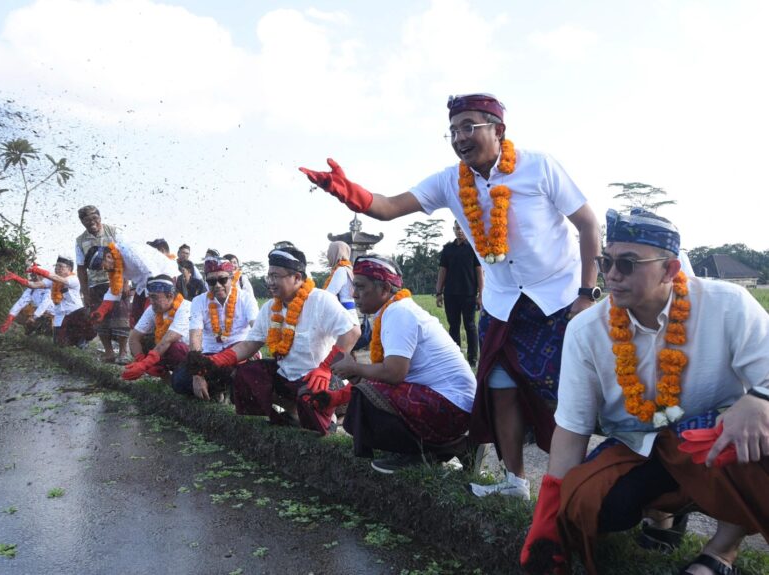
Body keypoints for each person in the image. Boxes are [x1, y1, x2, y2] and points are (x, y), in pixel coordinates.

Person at [301, 93, 601, 498]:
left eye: (469, 126)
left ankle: (577, 486)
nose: (460, 137)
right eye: (454, 130)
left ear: (499, 130)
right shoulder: (449, 181)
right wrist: (346, 191)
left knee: (566, 395)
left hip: (557, 298)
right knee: (499, 390)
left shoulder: (539, 167)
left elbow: (587, 223)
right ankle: (516, 484)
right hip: (501, 303)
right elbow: (389, 207)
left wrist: (586, 292)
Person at [521, 210, 769, 575]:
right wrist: (547, 515)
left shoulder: (728, 304)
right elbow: (573, 428)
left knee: (757, 432)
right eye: (605, 261)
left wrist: (759, 398)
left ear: (670, 270)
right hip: (638, 445)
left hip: (712, 440)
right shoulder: (585, 330)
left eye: (628, 263)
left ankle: (722, 551)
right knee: (584, 502)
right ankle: (664, 513)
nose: (612, 274)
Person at [325, 255, 477, 474]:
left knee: (363, 397)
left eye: (360, 287)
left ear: (385, 288)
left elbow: (395, 372)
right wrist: (359, 372)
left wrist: (357, 368)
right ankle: (440, 449)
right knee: (364, 388)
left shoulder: (398, 312)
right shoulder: (393, 311)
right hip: (450, 403)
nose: (354, 294)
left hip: (452, 407)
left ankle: (424, 452)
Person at [206, 245, 361, 434]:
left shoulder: (321, 300)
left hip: (316, 378)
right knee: (245, 374)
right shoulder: (271, 307)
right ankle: (291, 412)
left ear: (297, 277)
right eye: (269, 276)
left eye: (276, 276)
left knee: (310, 401)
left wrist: (325, 368)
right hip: (285, 375)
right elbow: (250, 344)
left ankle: (328, 418)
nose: (270, 282)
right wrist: (219, 360)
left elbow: (352, 333)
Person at [178, 257, 259, 399]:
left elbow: (257, 329)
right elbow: (195, 336)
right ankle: (217, 390)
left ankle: (227, 390)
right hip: (211, 355)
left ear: (232, 278)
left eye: (222, 280)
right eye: (211, 281)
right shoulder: (198, 301)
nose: (217, 285)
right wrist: (197, 374)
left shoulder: (246, 299)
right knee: (180, 380)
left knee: (242, 376)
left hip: (239, 353)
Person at [74, 205, 130, 364]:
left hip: (116, 281)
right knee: (100, 319)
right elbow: (80, 268)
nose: (91, 222)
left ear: (99, 217)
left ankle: (124, 352)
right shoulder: (80, 241)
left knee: (121, 317)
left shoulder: (113, 232)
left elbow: (125, 257)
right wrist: (85, 293)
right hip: (95, 284)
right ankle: (109, 352)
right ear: (82, 222)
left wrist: (126, 282)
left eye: (94, 218)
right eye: (86, 220)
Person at [84, 239, 179, 328]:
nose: (104, 270)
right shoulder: (114, 264)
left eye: (103, 267)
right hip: (145, 282)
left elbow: (152, 274)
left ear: (108, 256)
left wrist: (149, 305)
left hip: (164, 277)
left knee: (151, 319)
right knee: (136, 317)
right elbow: (115, 290)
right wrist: (101, 311)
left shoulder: (129, 251)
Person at [122, 275, 191, 382]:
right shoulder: (153, 308)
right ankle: (167, 379)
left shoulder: (186, 307)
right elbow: (133, 338)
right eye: (149, 297)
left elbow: (168, 339)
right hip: (165, 350)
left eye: (154, 297)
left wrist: (145, 364)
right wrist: (140, 361)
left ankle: (187, 380)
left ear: (170, 295)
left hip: (191, 354)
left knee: (175, 348)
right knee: (144, 342)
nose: (151, 301)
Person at [436, 220, 483, 366]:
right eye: (457, 228)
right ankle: (456, 358)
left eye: (462, 228)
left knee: (470, 326)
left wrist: (481, 295)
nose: (459, 231)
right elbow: (442, 271)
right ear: (453, 229)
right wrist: (439, 292)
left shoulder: (474, 249)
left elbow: (480, 273)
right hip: (451, 294)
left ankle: (473, 359)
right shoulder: (448, 249)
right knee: (454, 326)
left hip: (469, 294)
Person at [23, 257, 95, 347]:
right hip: (60, 315)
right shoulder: (52, 280)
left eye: (60, 266)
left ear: (69, 269)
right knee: (59, 344)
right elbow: (33, 285)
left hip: (75, 313)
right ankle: (75, 342)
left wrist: (38, 270)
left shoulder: (74, 279)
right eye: (56, 266)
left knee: (82, 324)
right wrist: (15, 277)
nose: (57, 268)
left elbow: (62, 280)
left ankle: (83, 340)